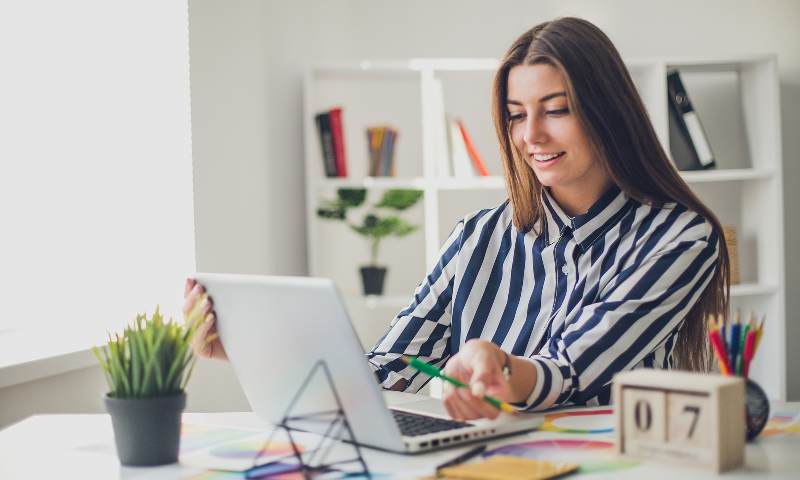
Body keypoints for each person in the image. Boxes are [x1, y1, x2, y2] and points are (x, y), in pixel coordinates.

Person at [184, 17, 729, 423]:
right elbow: (390, 368)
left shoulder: (678, 238)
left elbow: (575, 369)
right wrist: (253, 346)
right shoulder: (479, 237)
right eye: (517, 115)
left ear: (608, 110)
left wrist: (498, 367)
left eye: (556, 109)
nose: (531, 135)